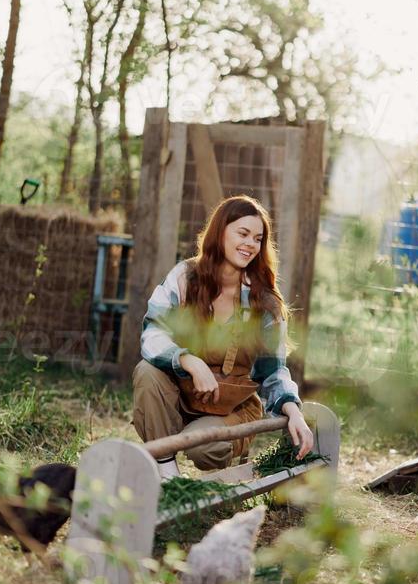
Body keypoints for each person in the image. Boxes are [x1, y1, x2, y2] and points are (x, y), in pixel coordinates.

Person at [132, 195, 313, 479]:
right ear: (220, 232)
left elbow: (273, 371)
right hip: (182, 395)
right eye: (242, 233)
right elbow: (152, 333)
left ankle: (218, 449)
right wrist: (188, 360)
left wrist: (295, 412)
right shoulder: (184, 277)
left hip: (230, 409)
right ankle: (168, 476)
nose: (251, 244)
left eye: (258, 238)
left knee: (203, 448)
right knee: (147, 372)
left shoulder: (263, 302)